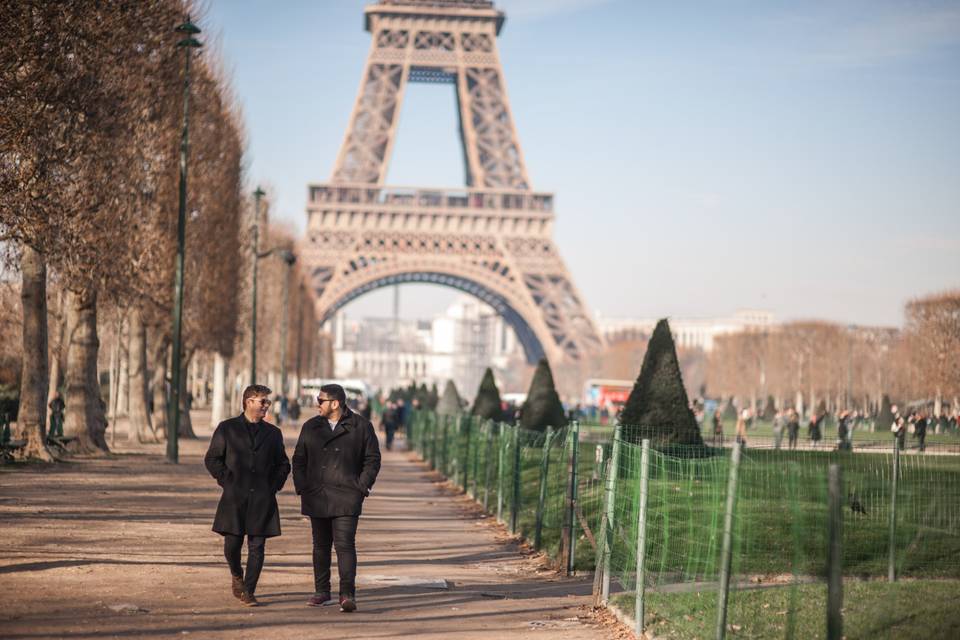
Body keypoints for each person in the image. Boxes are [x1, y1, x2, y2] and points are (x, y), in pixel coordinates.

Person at [293, 383, 381, 613]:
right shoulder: (310, 426)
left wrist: (362, 486)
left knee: (345, 545)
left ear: (335, 403)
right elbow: (299, 459)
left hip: (347, 496)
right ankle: (322, 591)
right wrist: (302, 486)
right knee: (320, 546)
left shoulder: (361, 426)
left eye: (320, 400)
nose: (317, 404)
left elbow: (372, 459)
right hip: (317, 494)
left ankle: (347, 594)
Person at [204, 384, 290, 607]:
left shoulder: (273, 433)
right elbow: (212, 459)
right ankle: (236, 574)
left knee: (257, 547)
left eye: (267, 402)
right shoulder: (227, 428)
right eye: (263, 401)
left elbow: (283, 464)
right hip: (235, 498)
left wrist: (274, 485)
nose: (266, 406)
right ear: (248, 401)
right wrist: (227, 480)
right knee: (231, 545)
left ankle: (249, 590)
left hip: (263, 498)